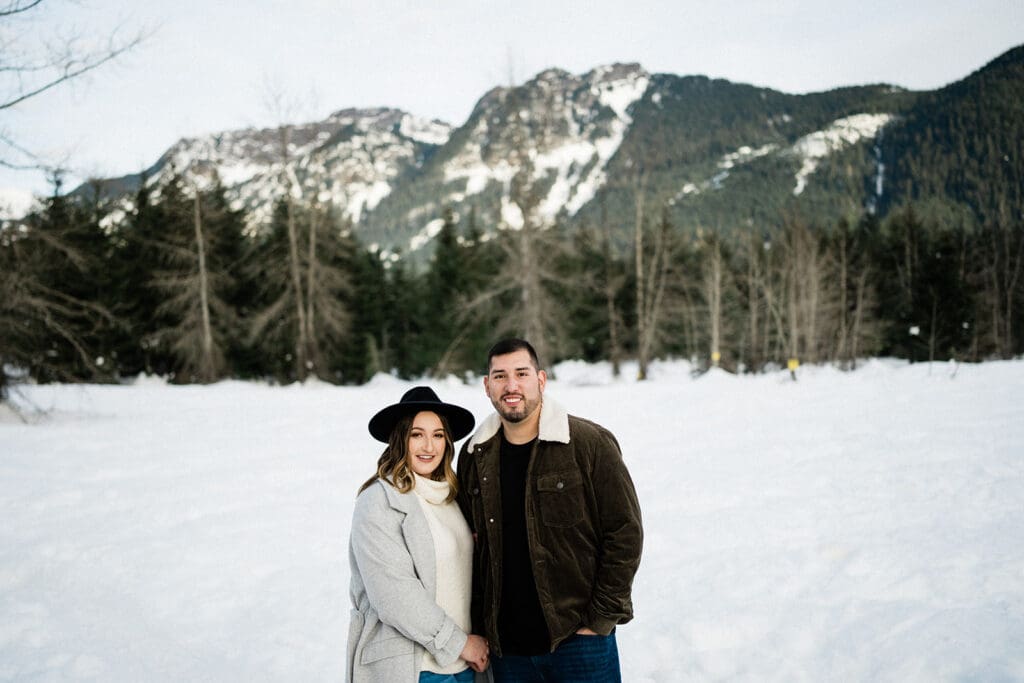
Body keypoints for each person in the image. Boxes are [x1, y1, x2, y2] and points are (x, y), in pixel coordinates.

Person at [456, 339, 643, 682]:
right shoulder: (473, 456)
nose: (511, 386)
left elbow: (624, 532)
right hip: (509, 650)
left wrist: (599, 618)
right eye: (499, 376)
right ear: (487, 386)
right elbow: (474, 548)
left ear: (541, 380)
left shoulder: (589, 444)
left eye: (521, 374)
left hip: (578, 641)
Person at [348, 386, 492, 683]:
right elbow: (393, 594)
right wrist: (460, 643)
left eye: (438, 435)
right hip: (415, 668)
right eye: (417, 434)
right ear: (399, 440)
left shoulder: (452, 499)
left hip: (463, 666)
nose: (429, 446)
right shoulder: (378, 501)